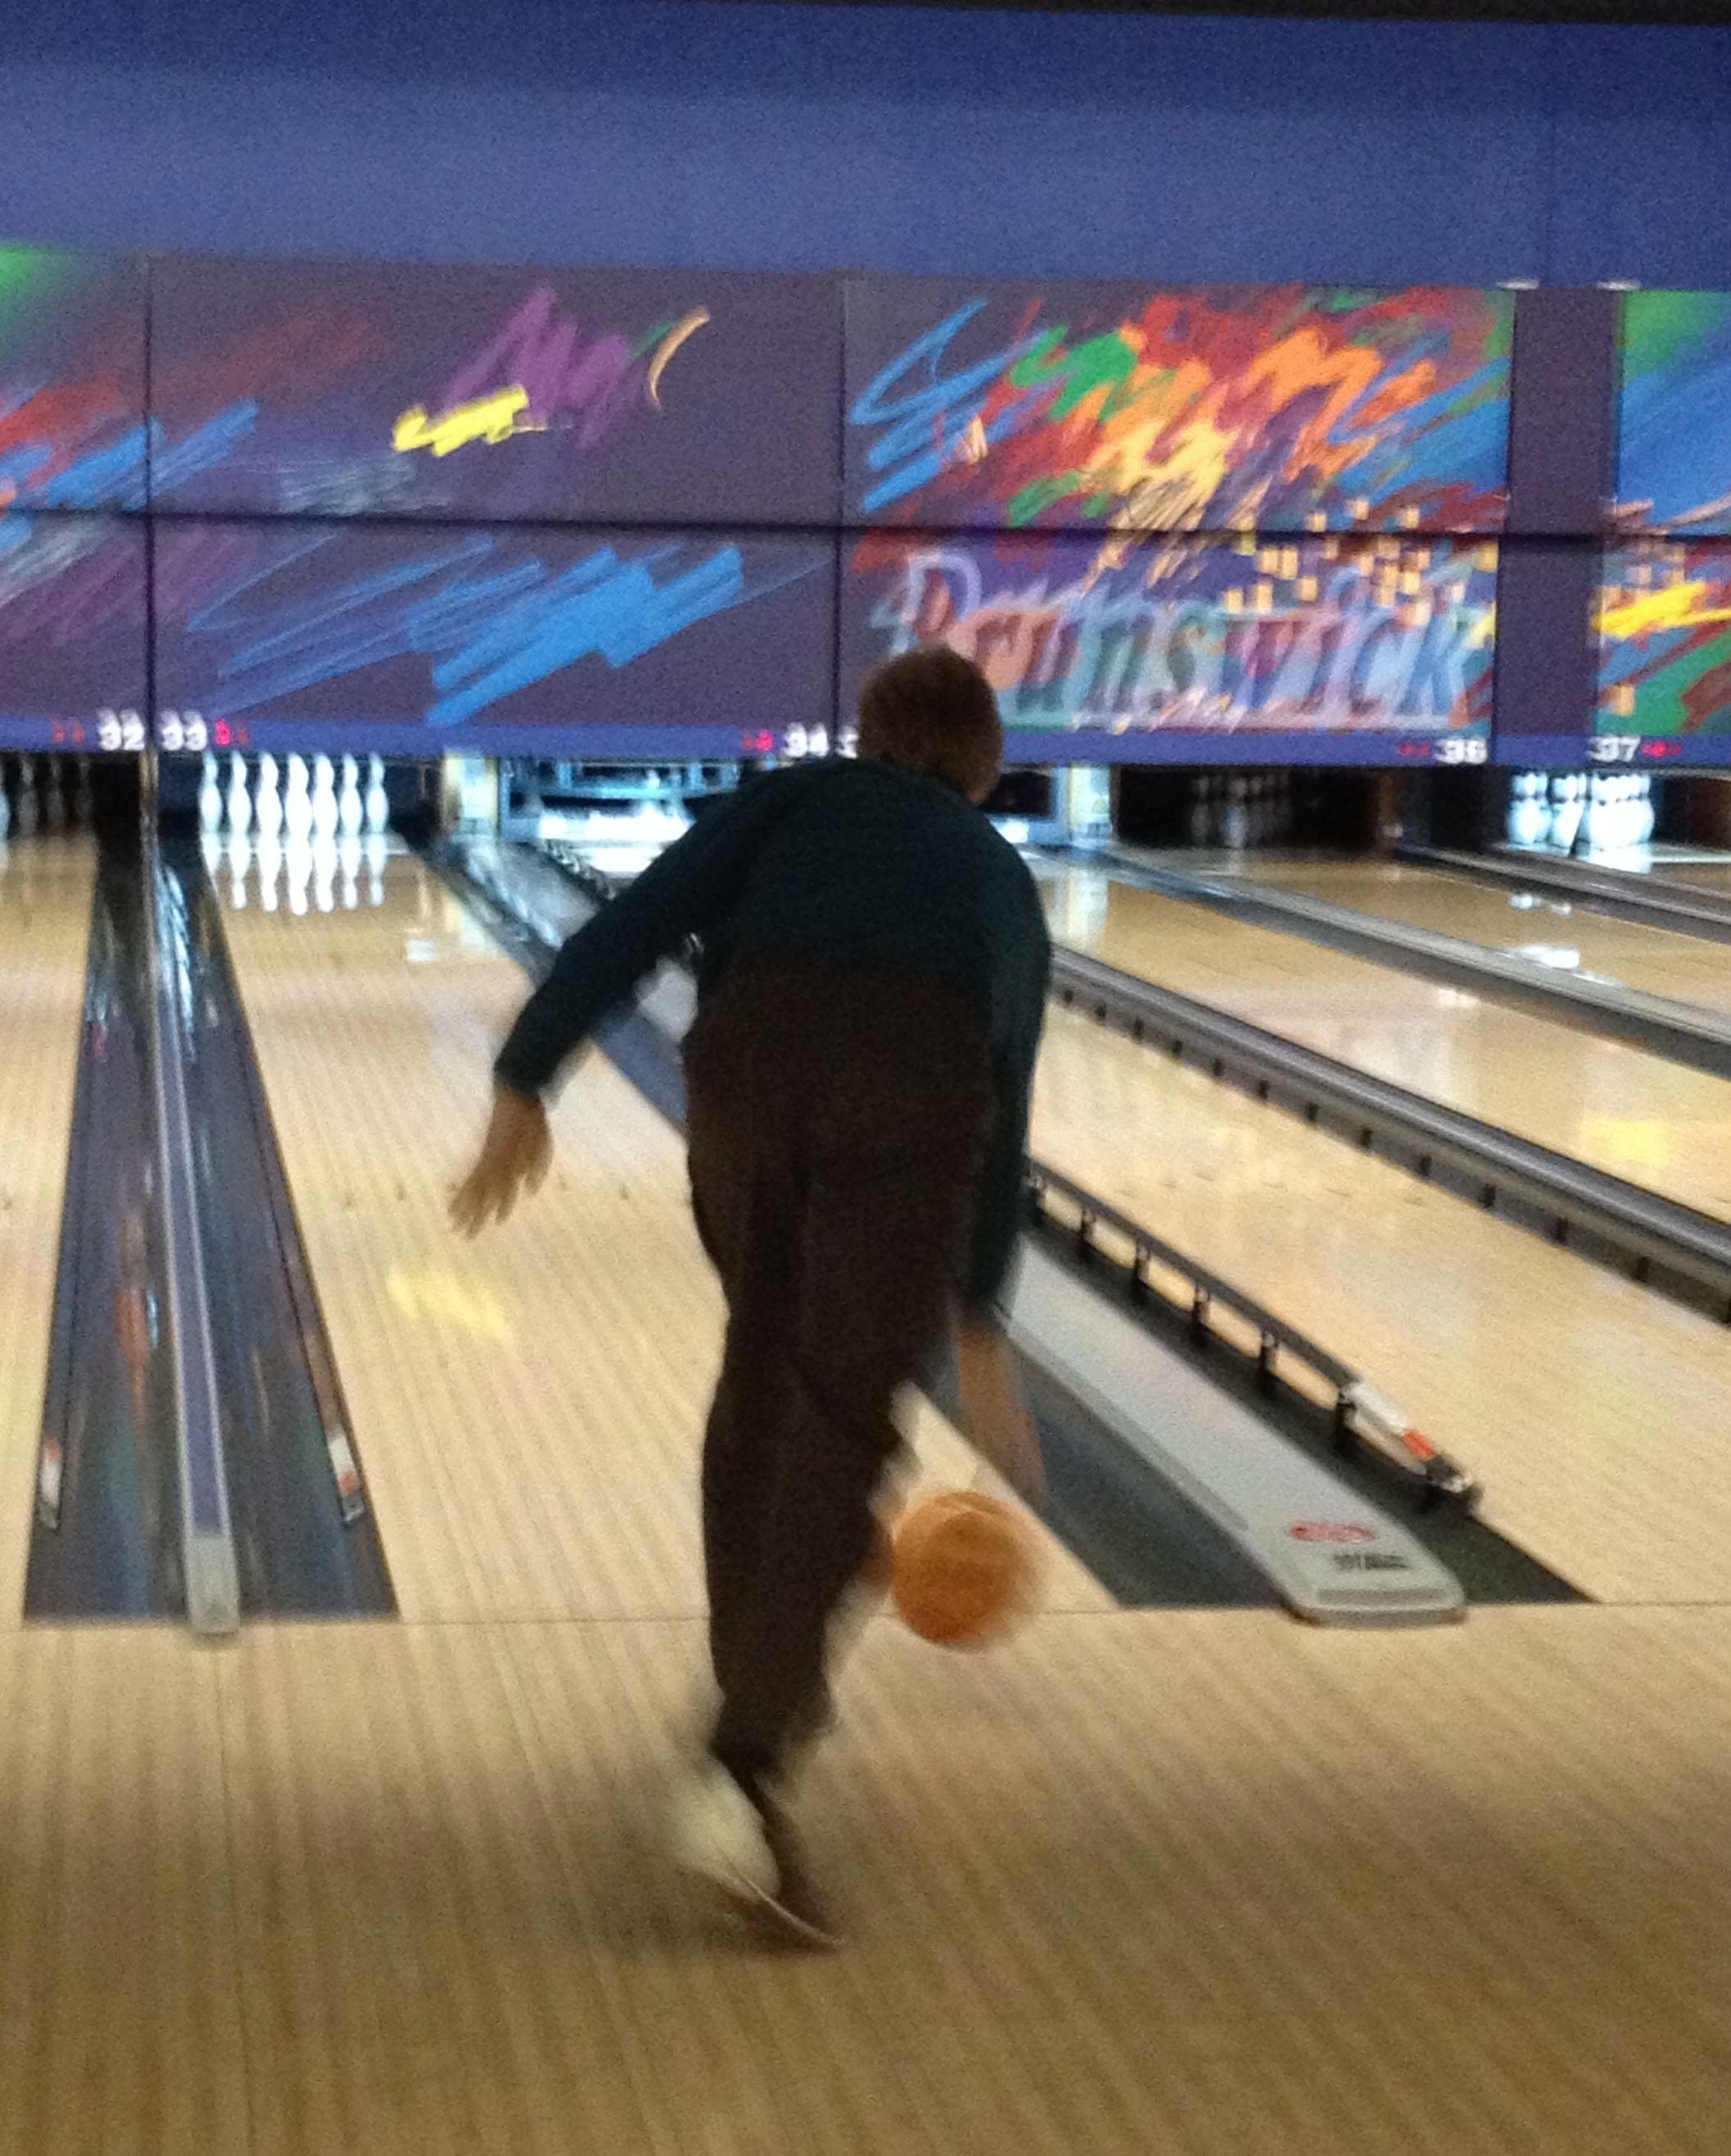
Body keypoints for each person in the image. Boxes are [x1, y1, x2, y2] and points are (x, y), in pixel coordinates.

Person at [451, 646, 1050, 1947]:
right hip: (912, 1077)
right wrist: (981, 1314)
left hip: (747, 1066)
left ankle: (756, 1678)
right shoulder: (999, 878)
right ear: (987, 767)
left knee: (763, 1373)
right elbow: (1003, 1119)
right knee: (841, 1422)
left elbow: (631, 923)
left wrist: (526, 1073)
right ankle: (740, 1765)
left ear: (865, 732)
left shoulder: (789, 798)